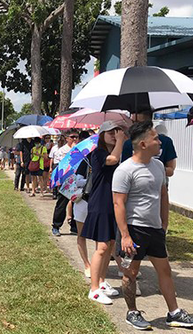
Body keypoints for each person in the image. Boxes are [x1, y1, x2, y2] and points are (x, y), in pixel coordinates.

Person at [113, 121, 193, 330]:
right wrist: (125, 235)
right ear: (143, 144)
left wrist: (164, 222)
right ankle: (132, 312)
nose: (160, 141)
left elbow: (163, 194)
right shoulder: (125, 170)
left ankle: (174, 312)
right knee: (130, 273)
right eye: (155, 138)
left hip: (155, 229)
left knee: (165, 270)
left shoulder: (158, 165)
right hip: (134, 229)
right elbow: (118, 203)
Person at [82, 121, 126, 305]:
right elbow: (113, 160)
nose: (114, 135)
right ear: (101, 135)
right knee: (101, 248)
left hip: (111, 204)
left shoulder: (112, 151)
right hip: (99, 203)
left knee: (109, 245)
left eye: (117, 132)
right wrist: (121, 141)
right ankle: (93, 289)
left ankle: (101, 282)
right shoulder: (99, 153)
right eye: (110, 132)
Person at [121, 109, 177, 179]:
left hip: (159, 182)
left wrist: (155, 169)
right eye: (133, 121)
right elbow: (125, 170)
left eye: (138, 122)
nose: (134, 125)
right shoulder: (129, 143)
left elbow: (171, 171)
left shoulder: (165, 141)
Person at [51, 129, 79, 236]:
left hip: (77, 180)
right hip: (66, 181)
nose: (74, 139)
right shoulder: (61, 151)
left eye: (76, 137)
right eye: (72, 137)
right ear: (67, 138)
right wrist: (72, 152)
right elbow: (60, 166)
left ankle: (75, 226)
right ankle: (56, 226)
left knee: (77, 204)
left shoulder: (80, 149)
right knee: (61, 204)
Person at [49, 135, 66, 200]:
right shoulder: (54, 148)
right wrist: (50, 167)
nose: (60, 142)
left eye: (62, 141)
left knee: (61, 180)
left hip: (63, 164)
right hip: (56, 164)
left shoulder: (65, 148)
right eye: (59, 141)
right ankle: (54, 193)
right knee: (55, 179)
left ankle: (60, 193)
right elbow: (51, 158)